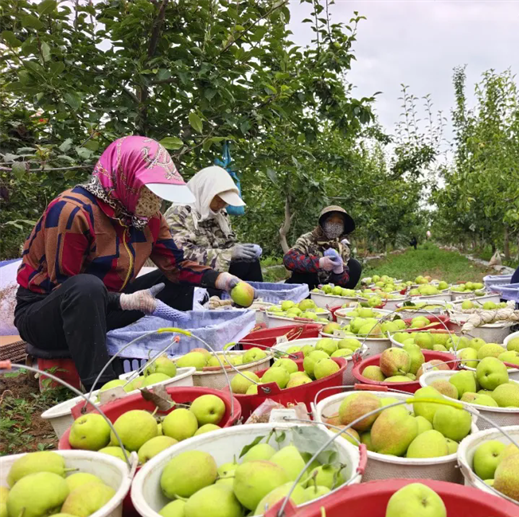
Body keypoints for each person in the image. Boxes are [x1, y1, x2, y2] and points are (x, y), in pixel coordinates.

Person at [14, 136, 254, 389]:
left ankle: (184, 349)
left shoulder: (148, 218)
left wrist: (221, 279)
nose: (154, 200)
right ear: (125, 178)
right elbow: (66, 288)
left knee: (174, 281)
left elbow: (176, 267)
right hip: (48, 315)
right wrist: (124, 301)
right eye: (147, 190)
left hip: (106, 307)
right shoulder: (73, 210)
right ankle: (102, 388)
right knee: (86, 286)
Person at [166, 166, 263, 297]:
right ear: (205, 193)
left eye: (225, 202)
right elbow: (181, 256)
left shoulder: (219, 214)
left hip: (217, 271)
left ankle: (256, 299)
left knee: (249, 261)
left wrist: (242, 249)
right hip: (193, 277)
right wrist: (229, 254)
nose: (221, 205)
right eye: (218, 200)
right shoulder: (178, 214)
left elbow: (227, 243)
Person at [283, 206, 362, 290]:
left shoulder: (342, 247)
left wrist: (339, 271)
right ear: (322, 223)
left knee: (355, 265)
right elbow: (289, 259)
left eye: (339, 222)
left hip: (327, 288)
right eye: (330, 221)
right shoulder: (307, 239)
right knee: (307, 271)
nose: (335, 225)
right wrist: (319, 263)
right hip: (306, 288)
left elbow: (343, 281)